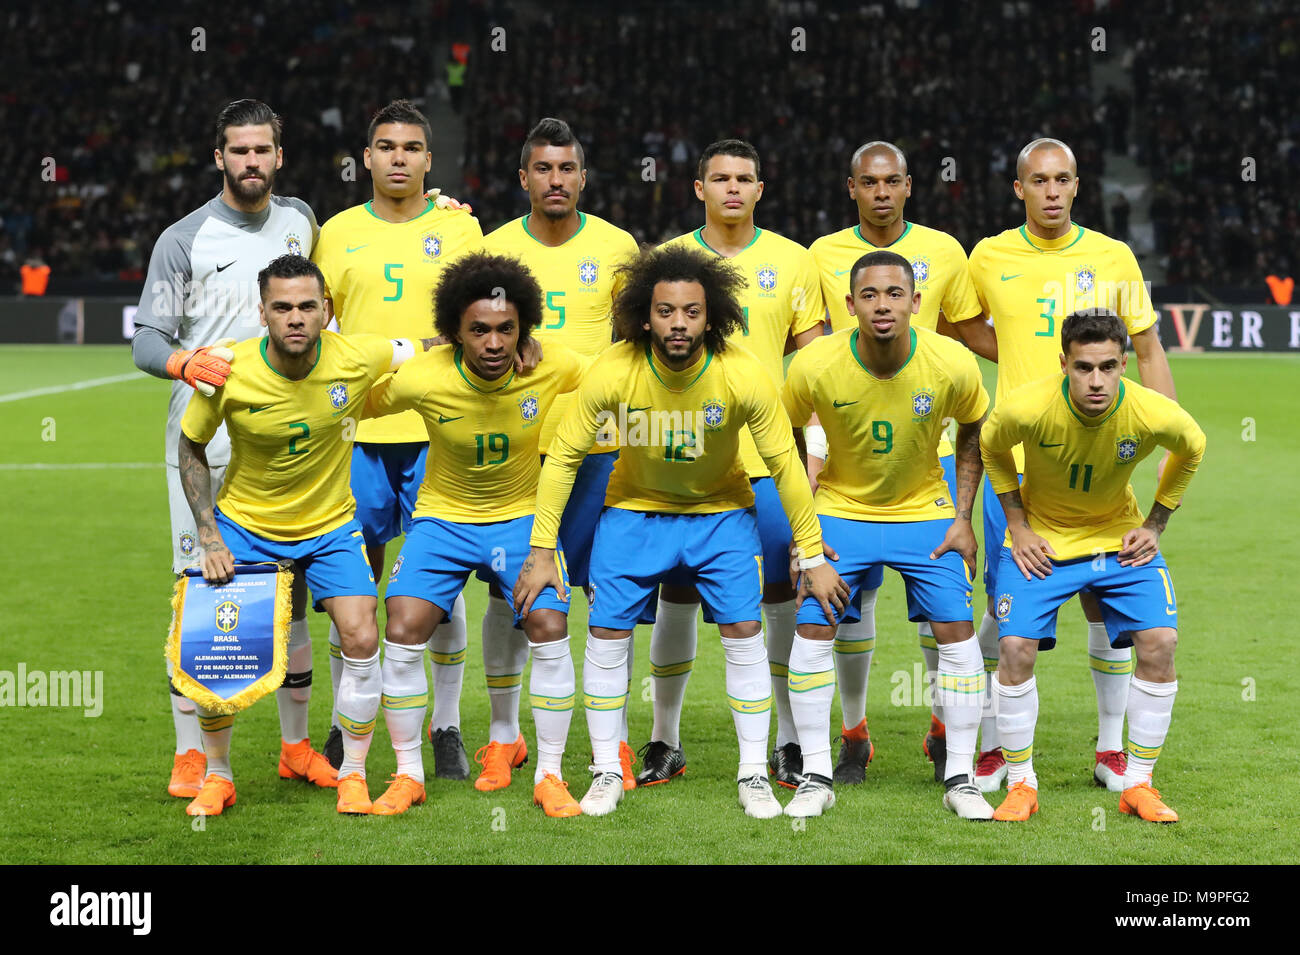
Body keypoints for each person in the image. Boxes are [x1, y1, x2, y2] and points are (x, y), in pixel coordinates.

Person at [514, 244, 847, 819]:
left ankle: (752, 775)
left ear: (710, 315)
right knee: (607, 635)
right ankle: (607, 772)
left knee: (743, 632)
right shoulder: (615, 369)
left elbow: (786, 467)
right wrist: (543, 549)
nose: (678, 324)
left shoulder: (742, 373)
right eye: (666, 311)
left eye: (691, 312)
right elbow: (566, 455)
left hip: (721, 516)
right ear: (646, 315)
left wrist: (812, 553)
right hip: (633, 512)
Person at [176, 254, 429, 815]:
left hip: (331, 527)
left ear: (327, 311)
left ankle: (354, 775)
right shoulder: (229, 371)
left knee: (363, 637)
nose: (295, 317)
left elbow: (432, 347)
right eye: (283, 307)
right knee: (217, 650)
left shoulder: (358, 355)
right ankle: (218, 775)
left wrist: (515, 344)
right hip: (247, 527)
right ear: (262, 312)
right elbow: (190, 446)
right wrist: (209, 535)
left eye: (307, 307)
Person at [967, 137, 1178, 793]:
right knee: (1008, 619)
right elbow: (958, 326)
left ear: (1078, 186)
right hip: (1019, 468)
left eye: (1062, 179)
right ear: (1019, 188)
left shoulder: (1111, 256)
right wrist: (1021, 366)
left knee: (1103, 604)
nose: (1052, 190)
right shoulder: (989, 255)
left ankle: (1112, 748)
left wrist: (1160, 427)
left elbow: (1145, 345)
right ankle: (985, 739)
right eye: (1039, 180)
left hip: (1098, 462)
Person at [132, 99, 322, 801]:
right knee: (204, 591)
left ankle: (295, 746)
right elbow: (147, 336)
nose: (250, 162)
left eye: (261, 150)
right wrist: (186, 364)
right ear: (219, 158)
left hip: (291, 447)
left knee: (293, 592)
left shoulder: (302, 221)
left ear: (279, 155)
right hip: (205, 447)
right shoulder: (184, 239)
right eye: (237, 151)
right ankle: (193, 756)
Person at [361, 251, 590, 817]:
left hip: (521, 518)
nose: (494, 343)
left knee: (548, 621)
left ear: (524, 327)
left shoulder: (552, 365)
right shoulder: (424, 375)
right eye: (479, 330)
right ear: (454, 333)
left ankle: (550, 774)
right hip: (441, 519)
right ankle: (408, 772)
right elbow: (360, 399)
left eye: (507, 329)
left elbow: (615, 374)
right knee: (405, 625)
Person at [781, 250, 994, 818]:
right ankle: (816, 775)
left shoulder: (952, 362)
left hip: (926, 512)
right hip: (841, 515)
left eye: (895, 294)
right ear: (849, 305)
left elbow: (975, 431)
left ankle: (961, 777)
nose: (882, 305)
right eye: (869, 295)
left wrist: (963, 518)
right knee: (812, 629)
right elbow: (785, 440)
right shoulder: (814, 365)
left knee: (957, 634)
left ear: (916, 303)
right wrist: (806, 535)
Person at [808, 141, 992, 784]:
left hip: (932, 453)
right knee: (847, 607)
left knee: (939, 604)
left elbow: (970, 334)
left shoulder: (945, 250)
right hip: (848, 456)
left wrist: (1060, 358)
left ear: (909, 186)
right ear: (851, 187)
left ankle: (944, 726)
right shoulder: (821, 255)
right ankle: (853, 732)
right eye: (868, 182)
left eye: (892, 182)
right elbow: (809, 351)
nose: (881, 192)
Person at [646, 139, 826, 790]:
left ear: (759, 188)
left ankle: (786, 738)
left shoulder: (793, 261)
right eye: (718, 178)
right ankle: (665, 737)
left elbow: (814, 371)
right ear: (699, 189)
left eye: (743, 178)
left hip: (772, 463)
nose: (730, 188)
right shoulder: (670, 261)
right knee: (679, 589)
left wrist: (818, 462)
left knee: (781, 592)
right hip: (686, 461)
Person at [312, 99, 483, 779]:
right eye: (386, 146)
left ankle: (445, 725)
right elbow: (317, 329)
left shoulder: (461, 229)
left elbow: (484, 322)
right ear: (367, 157)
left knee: (434, 582)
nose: (399, 158)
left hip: (441, 430)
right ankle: (339, 720)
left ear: (429, 160)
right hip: (355, 432)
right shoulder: (335, 232)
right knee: (353, 580)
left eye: (412, 147)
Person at [980, 308, 1204, 823]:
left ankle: (1139, 784)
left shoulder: (1153, 413)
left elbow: (1193, 450)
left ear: (1124, 364)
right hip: (1045, 546)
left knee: (1161, 643)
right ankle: (1021, 785)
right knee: (1013, 648)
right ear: (1064, 363)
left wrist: (1154, 525)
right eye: (1083, 367)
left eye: (1107, 366)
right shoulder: (1027, 408)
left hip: (1118, 545)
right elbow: (991, 448)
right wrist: (1018, 525)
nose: (1096, 380)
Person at [478, 118, 640, 793]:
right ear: (524, 178)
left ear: (581, 176)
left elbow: (638, 340)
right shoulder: (491, 250)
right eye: (542, 169)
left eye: (566, 168)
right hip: (518, 449)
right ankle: (502, 736)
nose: (555, 180)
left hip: (601, 444)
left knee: (610, 589)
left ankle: (618, 743)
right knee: (508, 591)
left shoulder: (617, 245)